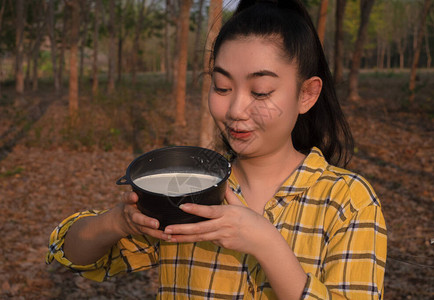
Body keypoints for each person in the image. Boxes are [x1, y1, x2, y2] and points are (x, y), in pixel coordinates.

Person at [46, 0, 387, 299]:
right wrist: (119, 221)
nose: (236, 109)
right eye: (222, 87)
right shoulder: (188, 191)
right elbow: (72, 254)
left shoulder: (348, 201)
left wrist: (265, 243)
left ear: (306, 95)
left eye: (261, 91)